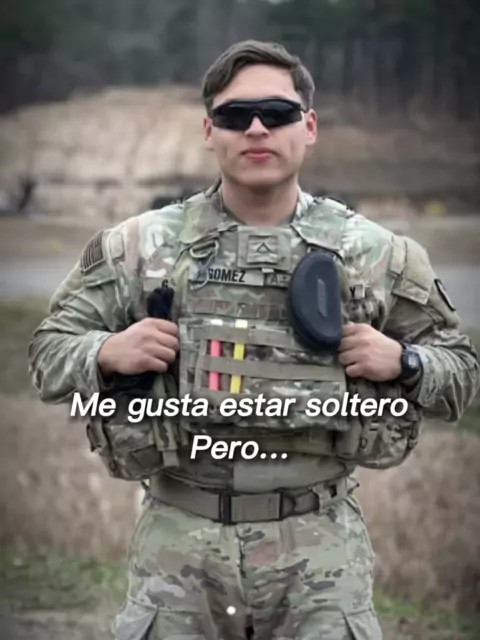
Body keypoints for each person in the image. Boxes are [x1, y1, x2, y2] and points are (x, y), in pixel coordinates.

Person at [28, 40, 479, 640]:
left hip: (320, 553)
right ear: (208, 130)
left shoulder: (376, 254)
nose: (257, 128)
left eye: (278, 113)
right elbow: (47, 353)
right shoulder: (137, 247)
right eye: (236, 115)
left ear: (309, 126)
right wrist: (105, 353)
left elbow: (463, 372)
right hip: (178, 549)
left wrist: (407, 361)